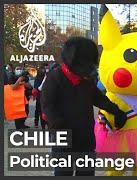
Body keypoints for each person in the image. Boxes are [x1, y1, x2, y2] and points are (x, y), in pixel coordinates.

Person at [41, 37, 127, 176]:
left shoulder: (86, 80)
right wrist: (57, 124)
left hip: (85, 136)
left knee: (86, 172)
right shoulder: (54, 77)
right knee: (63, 172)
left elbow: (99, 99)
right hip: (63, 136)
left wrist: (116, 111)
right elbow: (47, 104)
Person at [33, 63, 49, 129]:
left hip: (45, 96)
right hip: (40, 96)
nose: (46, 70)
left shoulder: (48, 76)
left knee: (43, 111)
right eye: (45, 68)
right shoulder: (39, 76)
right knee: (39, 111)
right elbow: (38, 88)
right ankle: (38, 123)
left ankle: (44, 124)